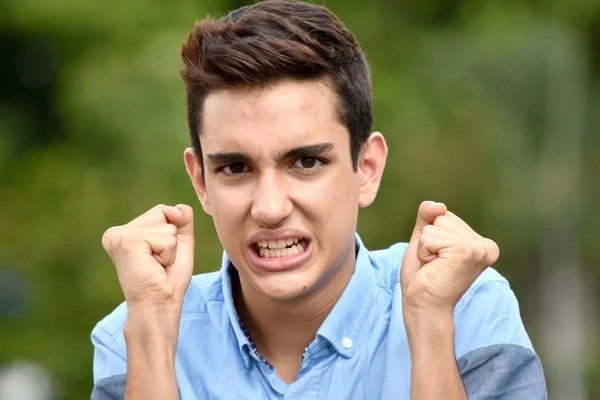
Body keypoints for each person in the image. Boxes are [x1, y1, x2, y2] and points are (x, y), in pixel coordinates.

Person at [91, 1, 547, 399]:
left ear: (366, 168)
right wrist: (151, 335)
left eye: (305, 162)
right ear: (201, 181)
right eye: (235, 168)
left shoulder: (465, 306)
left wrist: (429, 331)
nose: (269, 208)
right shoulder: (134, 329)